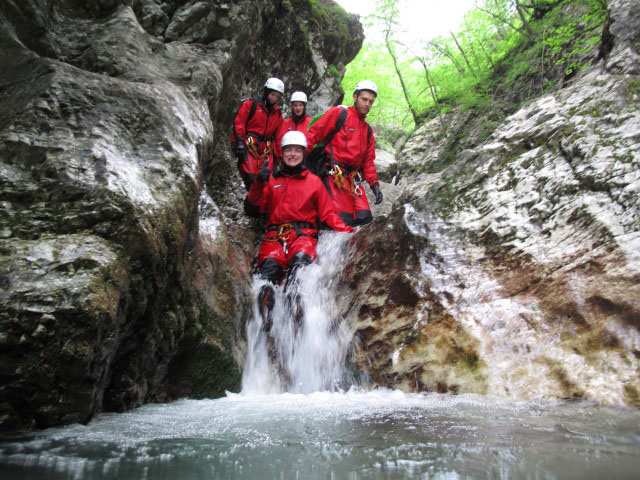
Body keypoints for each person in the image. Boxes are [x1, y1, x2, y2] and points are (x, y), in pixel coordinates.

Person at [244, 131, 353, 330]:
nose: (292, 154)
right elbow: (252, 209)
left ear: (303, 153)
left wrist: (348, 231)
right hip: (274, 238)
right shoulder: (271, 181)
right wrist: (259, 184)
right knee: (268, 270)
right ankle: (267, 314)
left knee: (299, 267)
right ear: (282, 153)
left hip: (304, 237)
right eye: (288, 150)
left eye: (297, 150)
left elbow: (328, 213)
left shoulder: (313, 182)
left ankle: (295, 308)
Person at [305, 80, 383, 227]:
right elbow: (314, 135)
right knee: (343, 219)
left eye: (371, 102)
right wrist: (296, 163)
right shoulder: (339, 114)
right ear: (355, 97)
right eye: (364, 99)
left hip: (353, 179)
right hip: (335, 174)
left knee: (365, 219)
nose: (367, 104)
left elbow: (368, 162)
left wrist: (374, 185)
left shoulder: (367, 131)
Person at [232, 77, 285, 189]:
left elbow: (279, 136)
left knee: (267, 181)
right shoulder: (251, 104)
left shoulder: (277, 113)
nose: (274, 98)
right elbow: (239, 123)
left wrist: (281, 156)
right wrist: (240, 142)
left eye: (277, 96)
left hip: (266, 149)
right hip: (249, 145)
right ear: (266, 91)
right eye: (272, 94)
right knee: (251, 178)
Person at [275, 91, 312, 159]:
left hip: (306, 160)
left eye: (300, 105)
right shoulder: (285, 124)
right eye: (295, 105)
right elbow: (279, 142)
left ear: (304, 106)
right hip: (288, 160)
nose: (298, 108)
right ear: (292, 106)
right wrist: (282, 157)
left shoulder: (311, 123)